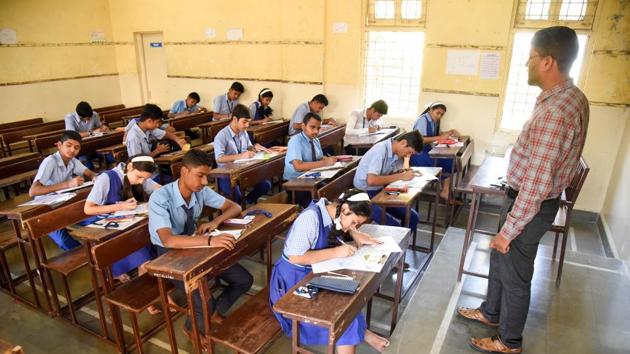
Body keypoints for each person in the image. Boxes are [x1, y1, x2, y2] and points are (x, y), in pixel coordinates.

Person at [457, 26, 589, 354]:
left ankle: (509, 341)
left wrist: (510, 230)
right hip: (531, 200)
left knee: (515, 273)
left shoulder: (554, 112)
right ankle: (491, 313)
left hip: (530, 205)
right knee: (501, 261)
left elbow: (538, 182)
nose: (526, 64)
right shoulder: (570, 97)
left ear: (547, 61)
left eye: (530, 58)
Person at [148, 149, 252, 346]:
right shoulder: (160, 198)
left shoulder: (201, 191)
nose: (205, 182)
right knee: (203, 299)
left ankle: (213, 313)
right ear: (183, 171)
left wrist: (216, 222)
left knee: (243, 280)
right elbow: (169, 240)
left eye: (207, 176)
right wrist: (210, 241)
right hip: (169, 255)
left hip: (195, 245)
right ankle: (192, 328)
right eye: (200, 176)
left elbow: (235, 208)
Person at [269, 189, 391, 353]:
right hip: (292, 284)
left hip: (314, 274)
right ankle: (362, 332)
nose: (353, 226)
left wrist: (356, 234)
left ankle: (363, 332)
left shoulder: (333, 211)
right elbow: (295, 258)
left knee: (348, 297)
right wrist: (336, 252)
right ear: (345, 209)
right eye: (354, 222)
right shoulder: (309, 219)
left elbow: (340, 225)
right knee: (340, 313)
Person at [29, 130, 96, 250]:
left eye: (76, 147)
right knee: (63, 240)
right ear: (59, 145)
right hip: (47, 208)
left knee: (95, 221)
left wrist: (94, 177)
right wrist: (66, 184)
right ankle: (85, 256)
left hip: (65, 203)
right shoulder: (50, 161)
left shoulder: (72, 160)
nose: (72, 150)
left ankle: (95, 253)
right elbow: (33, 191)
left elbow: (88, 172)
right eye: (68, 146)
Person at [353, 131, 424, 232]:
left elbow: (387, 176)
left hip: (380, 191)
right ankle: (395, 244)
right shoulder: (380, 150)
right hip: (363, 195)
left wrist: (400, 173)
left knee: (413, 217)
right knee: (394, 226)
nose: (409, 156)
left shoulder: (396, 154)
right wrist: (400, 176)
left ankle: (401, 245)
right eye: (409, 152)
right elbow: (371, 180)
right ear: (403, 143)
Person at [214, 104, 272, 204]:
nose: (247, 125)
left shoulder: (243, 132)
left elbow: (249, 147)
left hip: (243, 169)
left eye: (248, 122)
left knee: (266, 185)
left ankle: (247, 202)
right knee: (236, 196)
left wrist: (256, 147)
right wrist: (240, 156)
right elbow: (219, 158)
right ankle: (241, 205)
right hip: (226, 174)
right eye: (244, 122)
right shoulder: (221, 135)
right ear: (235, 119)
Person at [283, 112, 337, 207]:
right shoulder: (296, 141)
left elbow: (319, 158)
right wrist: (325, 162)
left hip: (312, 179)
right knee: (318, 204)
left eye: (318, 128)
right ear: (303, 126)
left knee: (331, 192)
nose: (316, 131)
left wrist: (330, 160)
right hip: (295, 183)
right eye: (312, 127)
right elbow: (298, 167)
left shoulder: (315, 140)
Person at [410, 102, 460, 201]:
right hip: (417, 153)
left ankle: (445, 190)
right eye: (438, 113)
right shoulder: (422, 120)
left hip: (427, 150)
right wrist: (440, 137)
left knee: (451, 162)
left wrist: (448, 133)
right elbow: (422, 139)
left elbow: (433, 135)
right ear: (431, 110)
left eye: (442, 114)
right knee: (444, 164)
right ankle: (445, 191)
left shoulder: (432, 120)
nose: (439, 116)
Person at [64, 101, 113, 169]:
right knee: (88, 167)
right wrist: (91, 133)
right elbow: (72, 135)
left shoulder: (94, 114)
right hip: (81, 149)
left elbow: (100, 126)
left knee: (111, 159)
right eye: (88, 118)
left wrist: (103, 127)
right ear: (80, 116)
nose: (90, 119)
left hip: (96, 146)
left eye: (91, 116)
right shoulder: (69, 118)